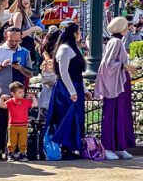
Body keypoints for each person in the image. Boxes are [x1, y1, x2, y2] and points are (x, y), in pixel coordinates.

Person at [95, 16, 139, 159]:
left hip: (119, 83)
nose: (128, 28)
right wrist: (125, 66)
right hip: (115, 85)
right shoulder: (116, 42)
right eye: (126, 26)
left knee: (121, 114)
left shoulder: (116, 41)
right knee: (113, 114)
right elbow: (107, 64)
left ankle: (119, 146)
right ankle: (108, 147)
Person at [0, 27, 33, 160]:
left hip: (18, 95)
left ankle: (17, 150)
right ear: (6, 37)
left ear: (20, 39)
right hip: (3, 92)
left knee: (18, 123)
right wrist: (1, 66)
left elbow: (30, 73)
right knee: (1, 122)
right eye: (11, 40)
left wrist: (20, 68)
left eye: (17, 41)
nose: (14, 43)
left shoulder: (24, 52)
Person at [45, 22, 87, 158]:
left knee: (76, 117)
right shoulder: (65, 49)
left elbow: (78, 72)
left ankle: (70, 148)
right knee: (66, 117)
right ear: (75, 34)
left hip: (75, 86)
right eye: (79, 31)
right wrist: (72, 92)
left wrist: (84, 89)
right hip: (66, 89)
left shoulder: (72, 49)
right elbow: (63, 73)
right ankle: (64, 149)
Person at [0, 82, 37, 162]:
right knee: (12, 141)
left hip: (23, 124)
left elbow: (35, 105)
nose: (22, 94)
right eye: (20, 92)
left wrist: (33, 97)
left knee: (22, 140)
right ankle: (10, 153)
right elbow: (2, 106)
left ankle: (22, 153)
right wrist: (1, 98)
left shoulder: (26, 101)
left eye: (23, 92)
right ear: (13, 93)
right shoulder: (10, 101)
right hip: (12, 125)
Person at [11, 0, 43, 66]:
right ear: (19, 1)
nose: (25, 0)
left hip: (28, 49)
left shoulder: (26, 15)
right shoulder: (19, 14)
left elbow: (26, 32)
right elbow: (16, 35)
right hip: (21, 51)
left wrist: (36, 38)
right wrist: (34, 28)